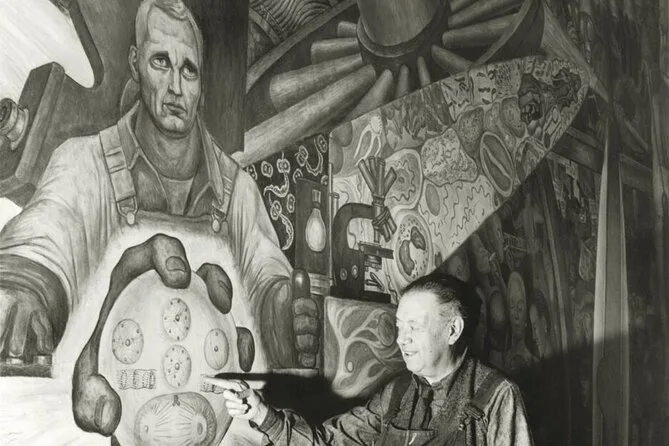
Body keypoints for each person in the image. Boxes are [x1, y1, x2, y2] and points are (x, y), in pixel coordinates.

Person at [0, 0, 315, 373]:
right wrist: (25, 287)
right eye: (161, 62)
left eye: (189, 70)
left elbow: (265, 273)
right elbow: (46, 232)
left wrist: (283, 315)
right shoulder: (84, 163)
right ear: (136, 64)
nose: (176, 87)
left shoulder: (239, 192)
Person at [208, 272, 534, 445]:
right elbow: (328, 443)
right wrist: (262, 413)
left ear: (453, 330)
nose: (401, 338)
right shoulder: (396, 394)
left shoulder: (496, 397)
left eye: (414, 326)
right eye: (399, 326)